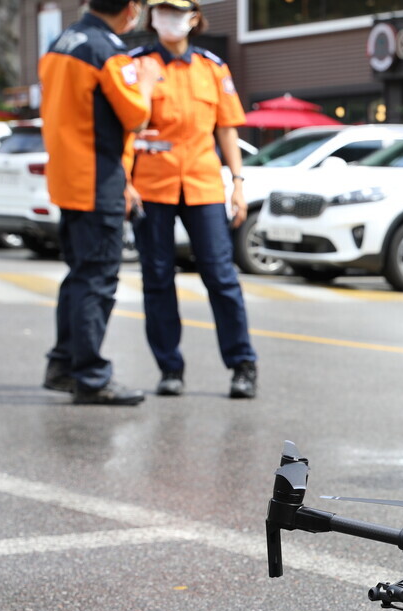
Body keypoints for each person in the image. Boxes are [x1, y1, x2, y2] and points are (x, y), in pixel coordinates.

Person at [129, 0, 258, 399]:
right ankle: (170, 368)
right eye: (162, 11)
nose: (169, 18)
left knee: (221, 276)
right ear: (151, 18)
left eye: (178, 11)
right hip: (152, 185)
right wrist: (126, 180)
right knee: (157, 279)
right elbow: (126, 126)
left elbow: (226, 131)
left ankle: (242, 365)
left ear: (194, 19)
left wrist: (237, 183)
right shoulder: (136, 66)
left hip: (202, 185)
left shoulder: (212, 67)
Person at [40, 0, 159, 405]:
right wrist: (146, 80)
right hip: (97, 180)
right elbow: (136, 116)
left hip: (70, 178)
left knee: (79, 276)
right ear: (131, 9)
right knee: (97, 281)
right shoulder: (108, 51)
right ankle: (90, 376)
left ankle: (63, 365)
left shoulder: (63, 42)